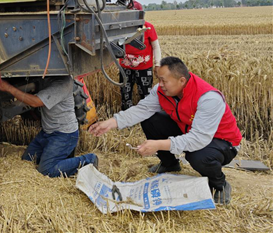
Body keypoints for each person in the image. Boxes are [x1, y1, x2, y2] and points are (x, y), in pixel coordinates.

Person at [89, 57, 242, 205]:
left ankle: (219, 184)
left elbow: (198, 139)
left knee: (197, 155)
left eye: (164, 81)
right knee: (151, 119)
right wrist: (112, 122)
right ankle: (169, 164)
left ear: (181, 80)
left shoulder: (208, 98)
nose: (160, 84)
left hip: (223, 142)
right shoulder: (162, 91)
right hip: (188, 129)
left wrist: (158, 145)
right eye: (159, 79)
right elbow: (143, 109)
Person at [0, 77, 98, 177]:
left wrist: (8, 87)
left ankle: (89, 160)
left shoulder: (63, 83)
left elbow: (35, 102)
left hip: (64, 135)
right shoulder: (46, 78)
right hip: (47, 132)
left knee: (46, 170)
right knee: (27, 160)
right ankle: (61, 159)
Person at [119, 1, 162, 110]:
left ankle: (146, 118)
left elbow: (156, 47)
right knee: (125, 95)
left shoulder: (148, 27)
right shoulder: (121, 27)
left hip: (144, 68)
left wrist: (157, 64)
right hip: (125, 67)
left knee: (145, 94)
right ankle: (126, 119)